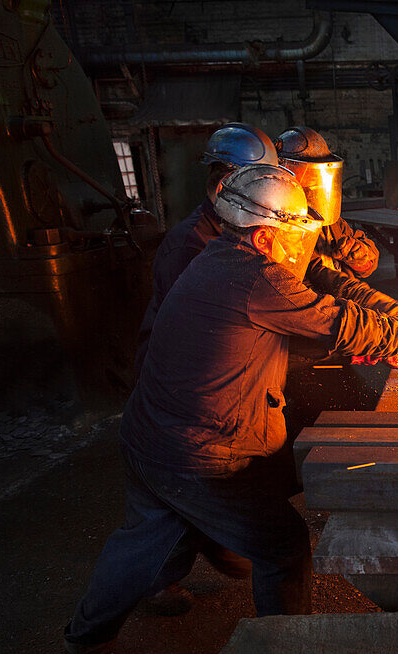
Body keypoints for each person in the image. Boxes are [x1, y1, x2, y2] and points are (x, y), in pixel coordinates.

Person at [63, 164, 398, 654]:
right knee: (283, 547)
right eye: (295, 235)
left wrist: (387, 326)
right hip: (196, 454)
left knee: (145, 540)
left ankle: (85, 644)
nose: (300, 248)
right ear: (268, 232)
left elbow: (303, 315)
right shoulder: (257, 277)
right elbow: (336, 320)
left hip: (149, 436)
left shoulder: (216, 257)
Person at [133, 122, 280, 613]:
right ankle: (159, 581)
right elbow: (218, 330)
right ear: (223, 181)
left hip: (185, 392)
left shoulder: (237, 231)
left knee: (184, 495)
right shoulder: (192, 244)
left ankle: (218, 539)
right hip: (178, 380)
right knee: (173, 499)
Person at [275, 126, 398, 288]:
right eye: (306, 173)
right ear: (284, 171)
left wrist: (360, 256)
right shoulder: (276, 226)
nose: (312, 182)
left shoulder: (329, 221)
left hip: (342, 302)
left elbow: (369, 264)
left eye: (315, 174)